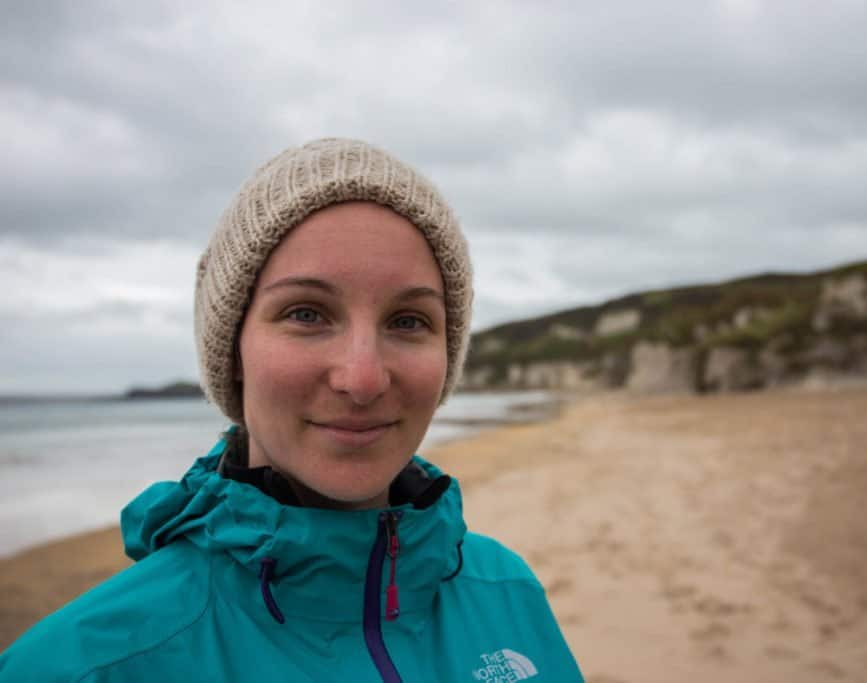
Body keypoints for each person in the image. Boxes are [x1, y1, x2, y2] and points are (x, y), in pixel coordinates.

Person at [0, 138, 583, 682]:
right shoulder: (83, 665)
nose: (362, 379)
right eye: (306, 313)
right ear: (233, 351)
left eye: (408, 321)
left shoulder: (508, 593)